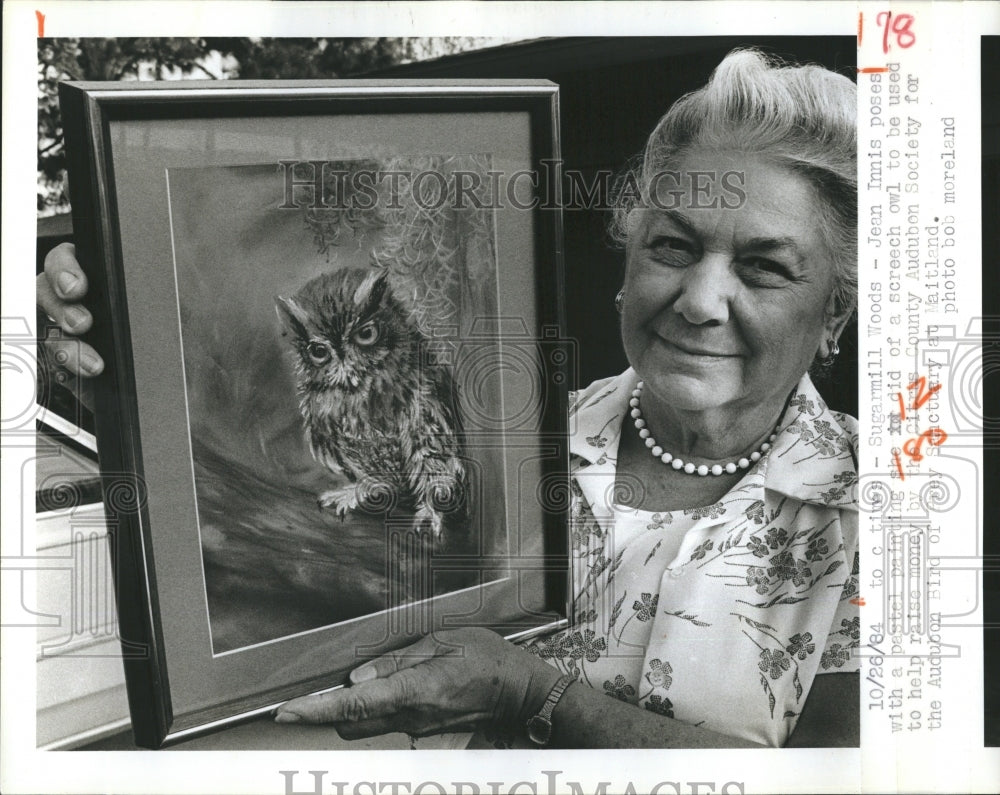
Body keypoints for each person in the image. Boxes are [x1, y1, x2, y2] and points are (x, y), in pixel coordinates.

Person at [37, 48, 859, 748]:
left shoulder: (887, 507)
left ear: (834, 310)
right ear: (626, 261)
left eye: (764, 266)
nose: (700, 299)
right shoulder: (526, 440)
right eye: (672, 246)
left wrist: (530, 694)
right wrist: (136, 353)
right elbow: (340, 593)